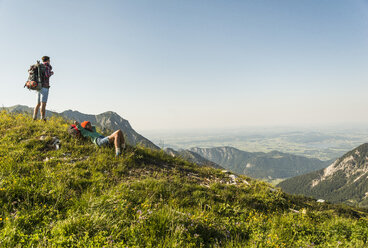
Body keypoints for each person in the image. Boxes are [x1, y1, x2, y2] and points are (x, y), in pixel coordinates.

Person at [33, 56, 54, 121]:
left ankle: (34, 117)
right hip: (45, 87)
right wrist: (51, 73)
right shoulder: (47, 67)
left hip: (38, 86)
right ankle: (42, 118)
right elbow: (47, 75)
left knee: (38, 103)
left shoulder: (39, 66)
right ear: (48, 60)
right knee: (43, 103)